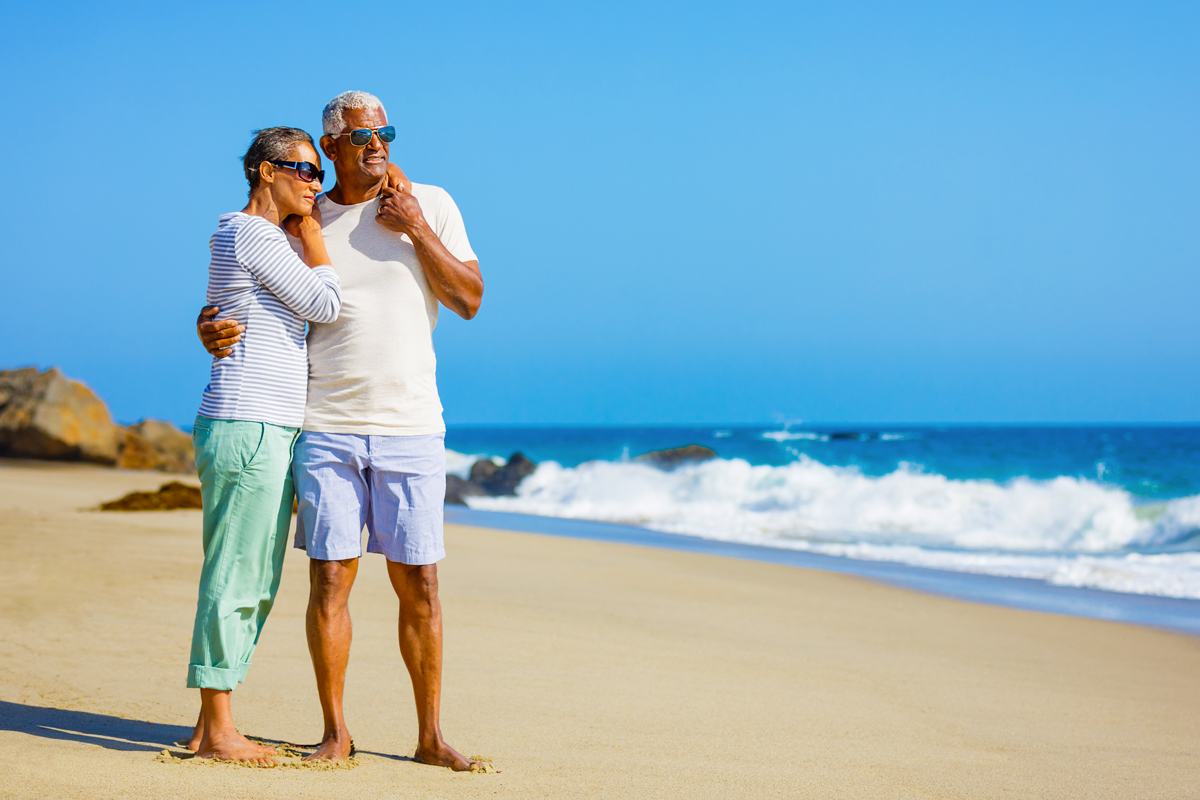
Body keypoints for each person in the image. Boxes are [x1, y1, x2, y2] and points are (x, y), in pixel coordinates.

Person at [197, 90, 484, 769]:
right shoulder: (305, 217)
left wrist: (416, 225)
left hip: (412, 423)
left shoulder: (430, 202)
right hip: (323, 423)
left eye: (385, 130)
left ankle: (430, 736)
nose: (377, 143)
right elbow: (242, 291)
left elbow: (469, 299)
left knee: (421, 584)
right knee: (329, 580)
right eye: (360, 135)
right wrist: (208, 324)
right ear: (330, 149)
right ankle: (335, 732)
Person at [188, 127, 341, 766]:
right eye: (302, 170)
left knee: (251, 570)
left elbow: (220, 309)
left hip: (258, 424)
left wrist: (206, 324)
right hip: (249, 422)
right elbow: (325, 304)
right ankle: (220, 729)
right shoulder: (253, 233)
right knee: (239, 572)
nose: (314, 182)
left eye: (318, 174)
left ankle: (208, 726)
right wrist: (312, 236)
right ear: (261, 170)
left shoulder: (246, 238)